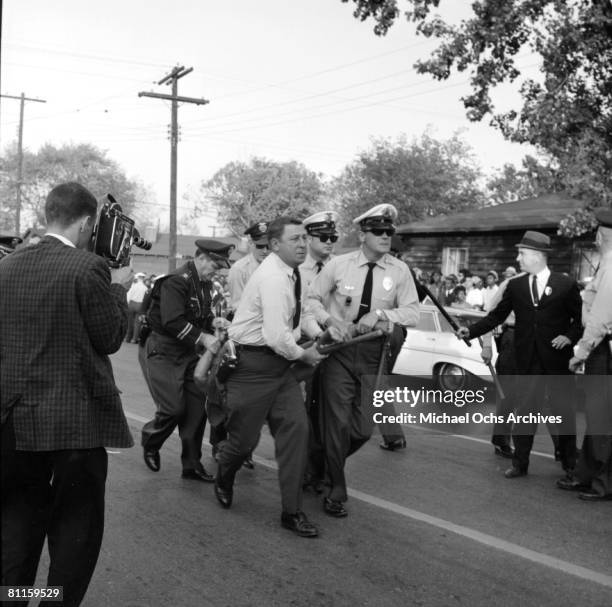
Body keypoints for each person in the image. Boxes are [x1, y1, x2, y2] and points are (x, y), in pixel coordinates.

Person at [0, 182, 134, 606]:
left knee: (16, 531)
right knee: (75, 535)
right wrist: (119, 287)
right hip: (72, 428)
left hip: (14, 425)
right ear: (87, 222)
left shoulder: (7, 266)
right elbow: (110, 336)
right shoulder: (88, 267)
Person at [214, 217, 328, 538]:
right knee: (243, 442)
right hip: (251, 367)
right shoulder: (274, 278)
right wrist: (305, 354)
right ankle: (225, 474)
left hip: (279, 367)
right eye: (295, 239)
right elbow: (278, 336)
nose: (303, 244)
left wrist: (321, 333)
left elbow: (299, 317)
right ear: (275, 245)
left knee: (297, 431)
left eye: (305, 238)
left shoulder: (293, 273)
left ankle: (292, 512)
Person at [307, 203, 420, 518]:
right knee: (336, 424)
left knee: (362, 429)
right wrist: (330, 322)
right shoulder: (339, 265)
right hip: (339, 352)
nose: (386, 236)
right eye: (379, 231)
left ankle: (318, 464)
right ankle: (335, 489)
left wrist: (381, 313)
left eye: (389, 231)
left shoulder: (399, 271)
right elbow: (312, 299)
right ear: (363, 234)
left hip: (373, 353)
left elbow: (412, 312)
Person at [457, 231, 582, 479]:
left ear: (537, 256)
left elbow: (579, 321)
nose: (518, 257)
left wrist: (569, 337)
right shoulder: (516, 286)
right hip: (527, 361)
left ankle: (570, 465)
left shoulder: (565, 284)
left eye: (522, 253)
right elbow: (496, 316)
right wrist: (470, 331)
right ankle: (520, 463)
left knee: (563, 412)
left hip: (557, 361)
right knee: (526, 412)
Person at [140, 239, 233, 482]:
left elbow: (200, 314)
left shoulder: (203, 283)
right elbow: (172, 321)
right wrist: (203, 337)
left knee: (196, 406)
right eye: (215, 264)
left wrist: (214, 322)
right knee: (173, 408)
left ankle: (191, 464)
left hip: (187, 351)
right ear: (201, 258)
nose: (217, 270)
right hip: (163, 350)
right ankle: (151, 441)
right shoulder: (176, 281)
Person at [560, 209, 612, 501]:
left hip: (603, 348)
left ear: (601, 235)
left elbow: (601, 317)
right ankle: (587, 476)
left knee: (601, 417)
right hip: (603, 346)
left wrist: (581, 350)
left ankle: (601, 483)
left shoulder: (610, 266)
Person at [299, 211, 339, 492]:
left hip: (334, 347)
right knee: (304, 412)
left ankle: (320, 469)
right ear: (309, 238)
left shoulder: (339, 267)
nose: (329, 243)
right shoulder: (296, 268)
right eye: (324, 237)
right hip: (304, 344)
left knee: (327, 413)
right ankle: (304, 470)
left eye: (333, 238)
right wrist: (319, 336)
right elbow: (302, 311)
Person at [227, 221, 269, 313]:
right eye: (260, 246)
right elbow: (237, 305)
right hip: (247, 323)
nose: (265, 251)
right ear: (251, 243)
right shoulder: (239, 269)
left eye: (268, 246)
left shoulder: (277, 266)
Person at [125, 272, 148, 343]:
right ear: (143, 279)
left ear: (137, 278)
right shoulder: (145, 288)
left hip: (131, 303)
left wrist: (127, 303)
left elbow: (128, 295)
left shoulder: (133, 286)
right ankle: (134, 339)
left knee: (130, 322)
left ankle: (128, 338)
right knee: (137, 323)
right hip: (140, 304)